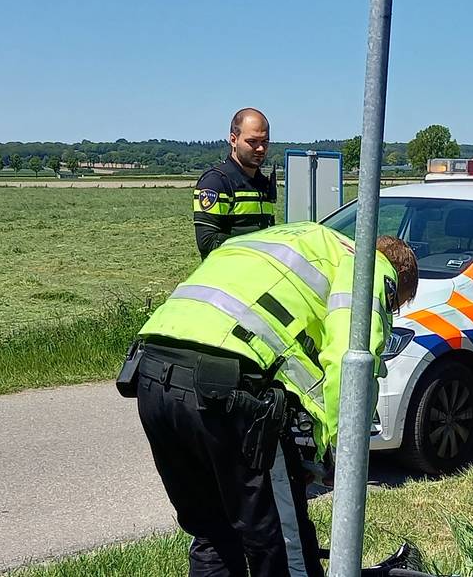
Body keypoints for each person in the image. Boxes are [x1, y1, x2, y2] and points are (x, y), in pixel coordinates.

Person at [129, 222, 418, 577]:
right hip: (227, 388)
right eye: (396, 306)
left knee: (213, 533)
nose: (392, 312)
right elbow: (350, 357)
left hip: (151, 371)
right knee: (279, 542)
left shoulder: (297, 238)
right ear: (399, 280)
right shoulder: (368, 265)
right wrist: (346, 453)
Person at [194, 107, 278, 259]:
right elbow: (207, 243)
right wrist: (260, 250)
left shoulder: (262, 183)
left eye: (265, 142)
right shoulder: (216, 183)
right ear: (233, 140)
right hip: (227, 279)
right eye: (252, 141)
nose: (260, 148)